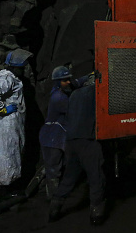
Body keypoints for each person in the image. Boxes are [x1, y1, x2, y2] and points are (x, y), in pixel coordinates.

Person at [49, 73, 107, 225]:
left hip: (71, 141)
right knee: (96, 176)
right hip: (87, 140)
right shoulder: (98, 91)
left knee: (69, 176)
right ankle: (96, 215)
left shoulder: (74, 94)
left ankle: (54, 208)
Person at [0, 48, 33, 193]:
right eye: (22, 67)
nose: (24, 70)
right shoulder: (7, 78)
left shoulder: (12, 78)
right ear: (15, 67)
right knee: (8, 153)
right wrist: (2, 109)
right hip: (7, 123)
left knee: (11, 152)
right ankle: (6, 187)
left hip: (12, 122)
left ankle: (2, 184)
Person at [38, 65, 85, 198]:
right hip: (51, 137)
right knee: (53, 169)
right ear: (59, 81)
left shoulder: (61, 88)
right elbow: (76, 110)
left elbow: (75, 83)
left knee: (61, 165)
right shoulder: (59, 98)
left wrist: (90, 76)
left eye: (68, 79)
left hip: (58, 135)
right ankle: (53, 198)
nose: (69, 81)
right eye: (65, 80)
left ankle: (59, 193)